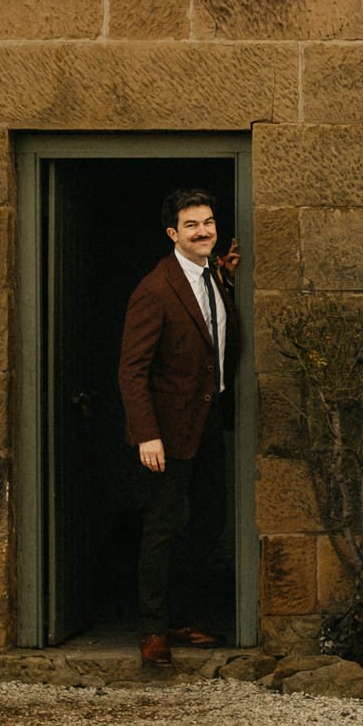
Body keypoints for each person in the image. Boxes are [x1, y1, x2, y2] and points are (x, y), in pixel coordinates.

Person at [118, 186, 240, 668]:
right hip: (166, 432)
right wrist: (147, 434)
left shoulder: (212, 274)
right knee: (163, 527)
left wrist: (226, 279)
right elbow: (132, 370)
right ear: (173, 233)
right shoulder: (154, 289)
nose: (203, 231)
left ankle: (181, 616)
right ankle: (152, 629)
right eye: (191, 225)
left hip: (209, 421)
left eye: (208, 222)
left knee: (209, 520)